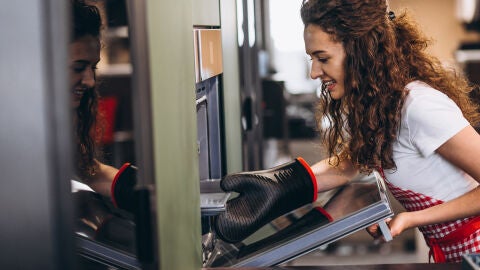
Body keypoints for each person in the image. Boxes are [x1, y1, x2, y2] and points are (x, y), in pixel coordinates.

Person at [214, 0, 480, 263]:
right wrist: (276, 183)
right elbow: (348, 165)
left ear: (360, 51)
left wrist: (411, 218)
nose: (314, 72)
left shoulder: (419, 106)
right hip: (454, 254)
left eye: (323, 58)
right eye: (312, 59)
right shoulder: (385, 107)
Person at [70, 0, 137, 213]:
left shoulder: (64, 119)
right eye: (79, 67)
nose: (90, 81)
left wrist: (143, 191)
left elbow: (88, 170)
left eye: (93, 67)